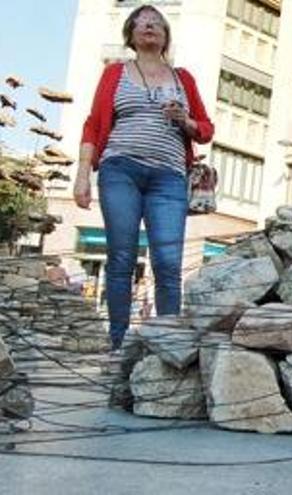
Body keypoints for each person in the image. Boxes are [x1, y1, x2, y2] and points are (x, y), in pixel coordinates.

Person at [72, 5, 214, 351]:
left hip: (169, 178)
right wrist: (82, 175)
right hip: (120, 169)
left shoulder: (184, 78)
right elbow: (93, 124)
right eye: (142, 23)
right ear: (131, 35)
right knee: (121, 257)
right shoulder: (115, 73)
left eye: (156, 23)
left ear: (166, 36)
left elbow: (206, 129)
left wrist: (186, 120)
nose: (149, 26)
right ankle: (117, 344)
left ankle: (168, 346)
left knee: (167, 261)